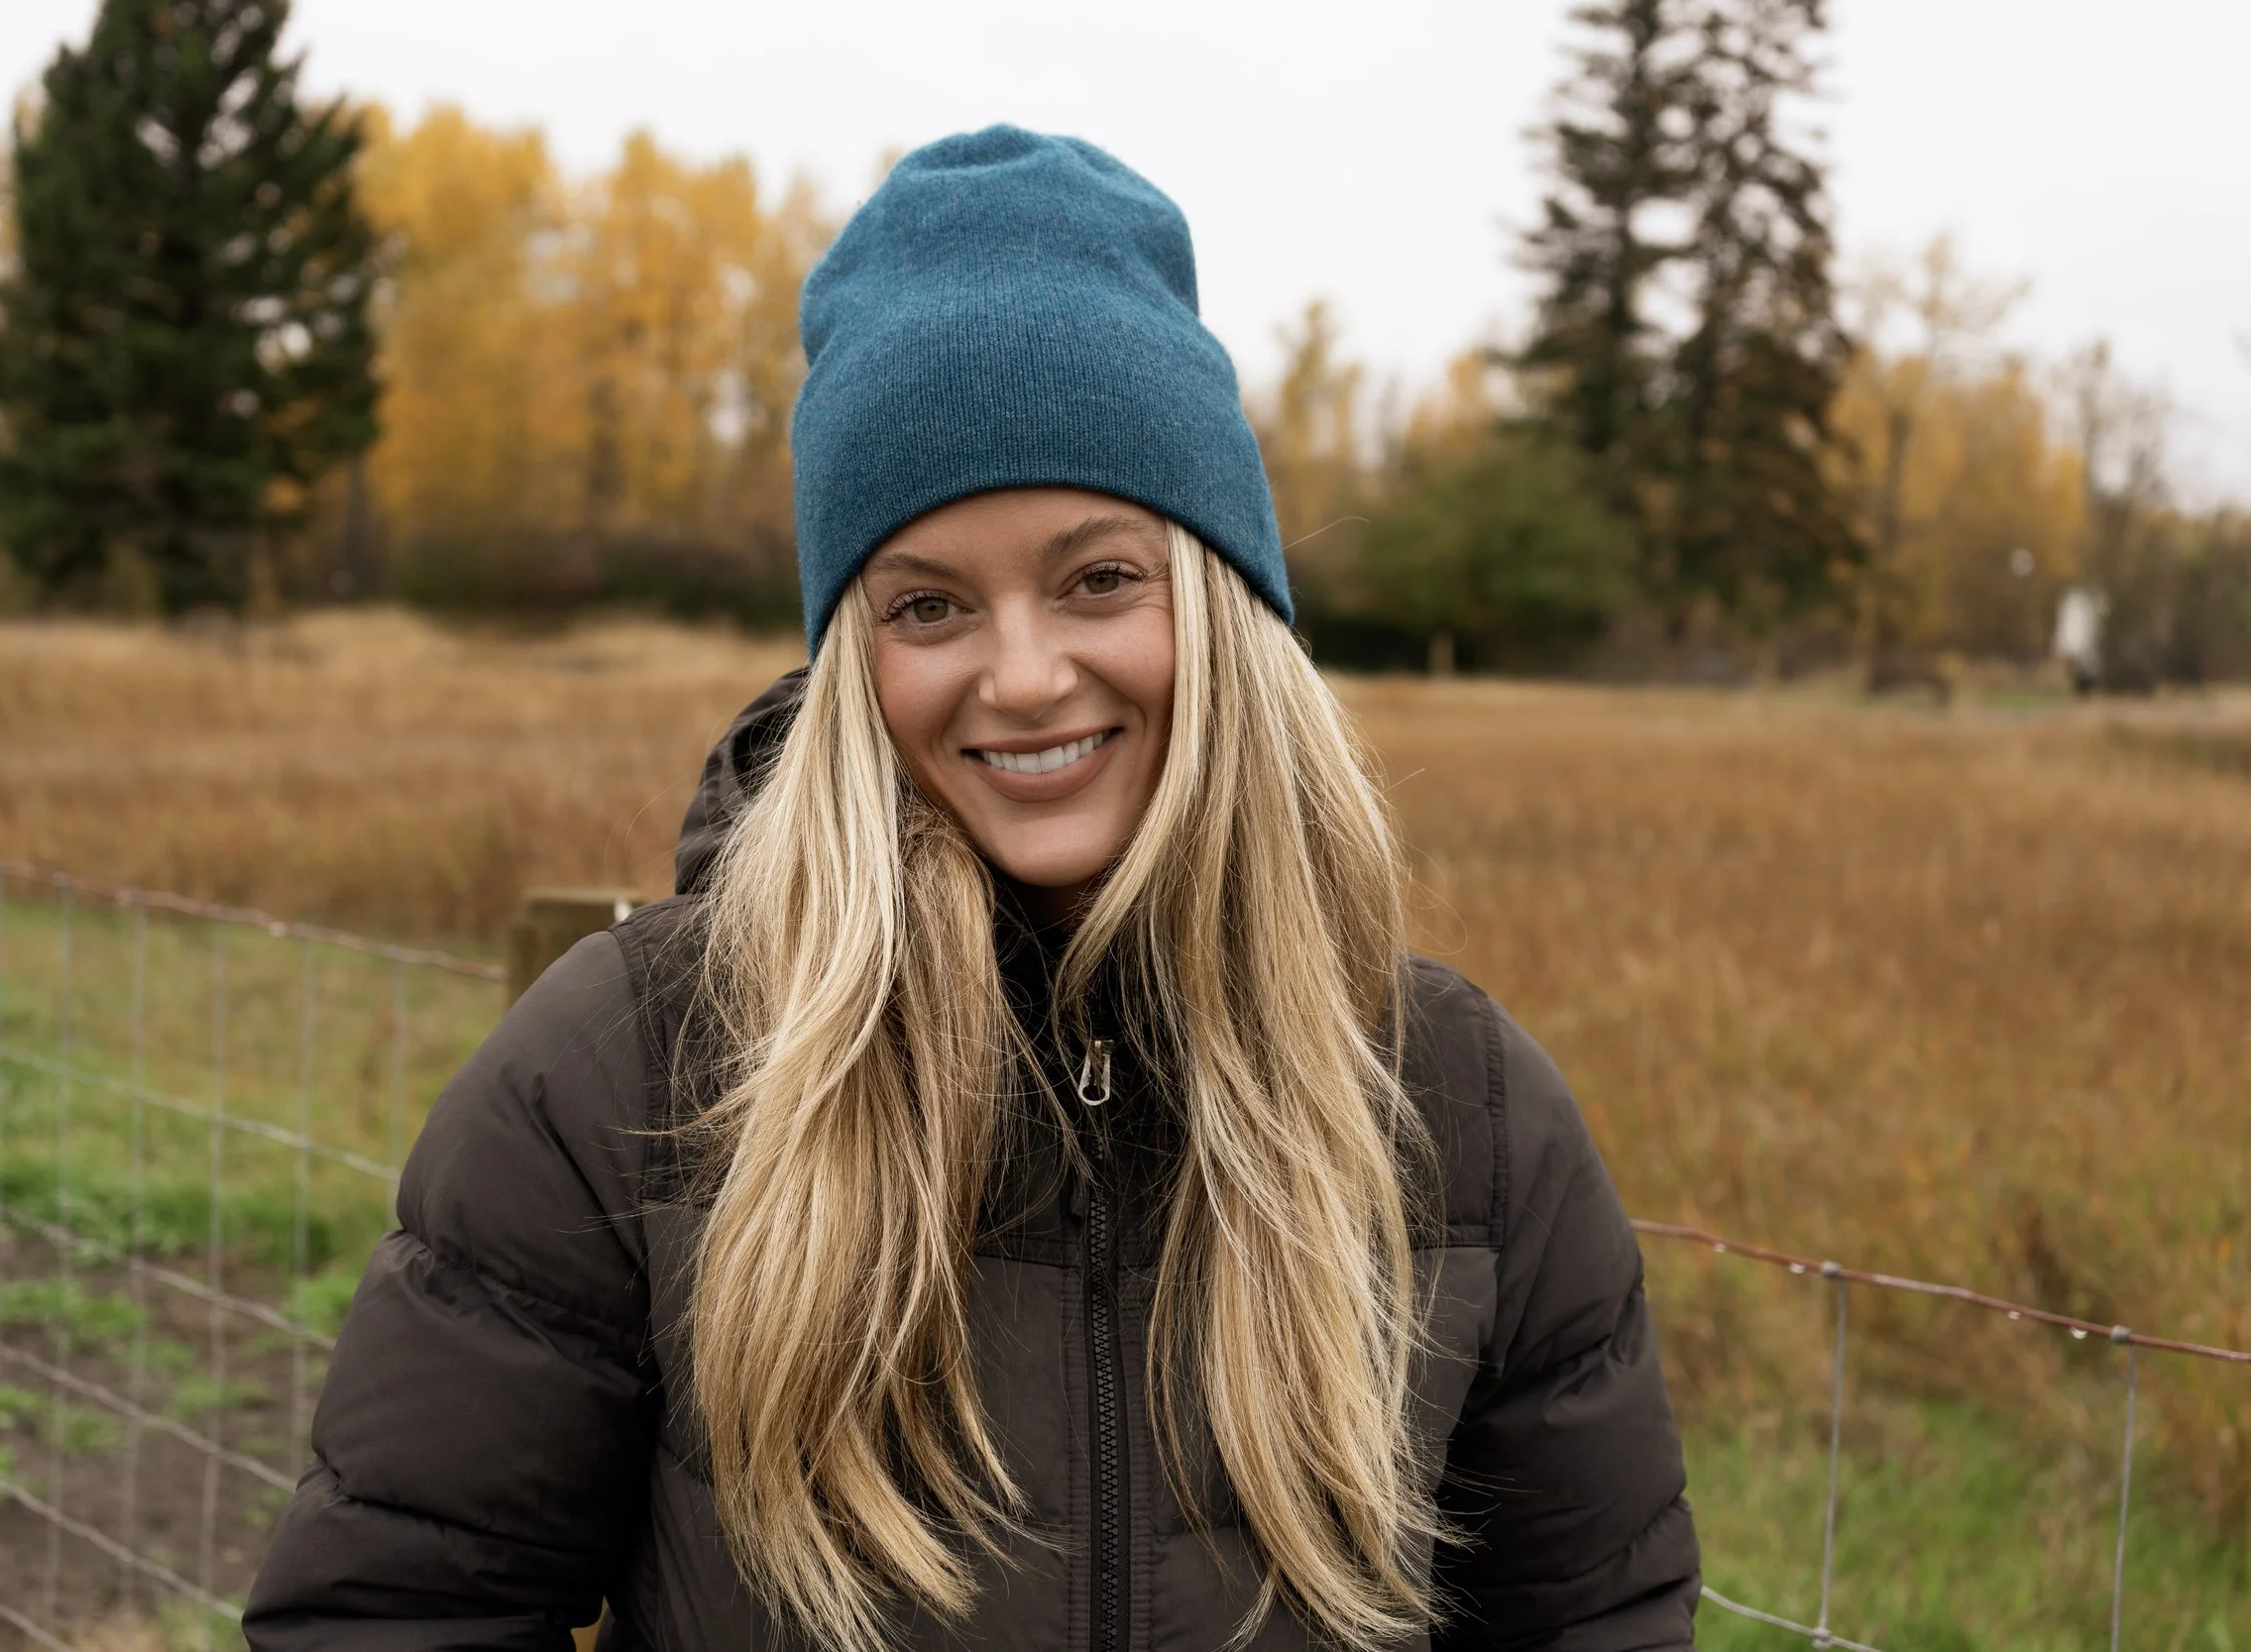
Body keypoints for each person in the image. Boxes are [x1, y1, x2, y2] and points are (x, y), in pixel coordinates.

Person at [245, 126, 1698, 1652]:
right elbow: (391, 1618)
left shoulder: (1462, 1116)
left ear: (1220, 601)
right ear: (850, 664)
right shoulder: (624, 1078)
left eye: (1098, 577)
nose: (1022, 674)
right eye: (928, 603)